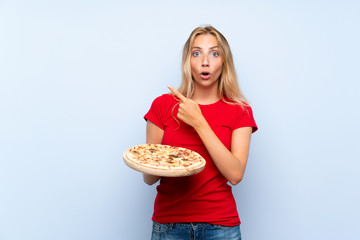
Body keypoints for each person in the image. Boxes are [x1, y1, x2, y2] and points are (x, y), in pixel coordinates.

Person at [143, 25, 258, 240]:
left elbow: (235, 175)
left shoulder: (240, 110)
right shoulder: (162, 105)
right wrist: (156, 161)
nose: (205, 61)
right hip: (169, 226)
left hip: (221, 227)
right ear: (188, 61)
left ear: (224, 62)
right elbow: (149, 178)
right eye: (197, 53)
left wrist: (199, 122)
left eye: (214, 54)